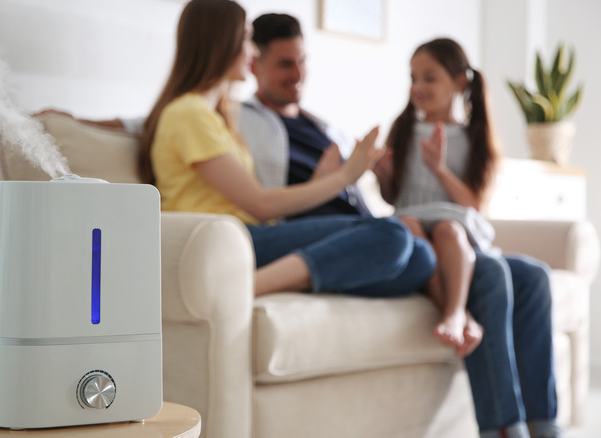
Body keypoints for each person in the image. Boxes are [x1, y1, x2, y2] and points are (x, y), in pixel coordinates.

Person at [139, 0, 435, 299]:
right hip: (230, 238)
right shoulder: (187, 113)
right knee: (393, 234)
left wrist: (325, 181)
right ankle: (241, 290)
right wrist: (344, 177)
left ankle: (301, 275)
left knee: (421, 258)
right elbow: (261, 204)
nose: (253, 51)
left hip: (252, 235)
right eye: (246, 39)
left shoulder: (216, 115)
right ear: (220, 43)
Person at [239, 12, 481, 353]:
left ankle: (461, 320)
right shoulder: (240, 120)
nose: (298, 74)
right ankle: (458, 313)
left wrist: (373, 175)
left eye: (302, 61)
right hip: (314, 230)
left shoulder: (324, 128)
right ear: (253, 64)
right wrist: (326, 181)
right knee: (400, 233)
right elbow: (257, 195)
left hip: (361, 229)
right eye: (284, 64)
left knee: (424, 257)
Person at [376, 37, 561, 438]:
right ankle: (502, 428)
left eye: (430, 77)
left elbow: (474, 203)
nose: (418, 87)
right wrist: (381, 172)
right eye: (413, 78)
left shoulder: (475, 135)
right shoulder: (403, 127)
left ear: (460, 82)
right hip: (422, 237)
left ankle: (543, 423)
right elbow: (393, 195)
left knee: (535, 276)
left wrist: (440, 169)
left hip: (463, 237)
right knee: (491, 271)